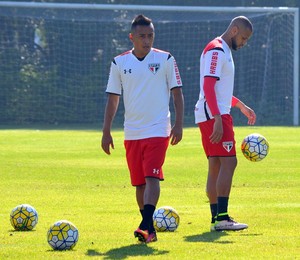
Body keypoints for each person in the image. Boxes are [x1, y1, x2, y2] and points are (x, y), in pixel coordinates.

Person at [101, 14, 184, 243]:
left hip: (158, 129)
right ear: (132, 37)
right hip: (132, 132)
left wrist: (178, 124)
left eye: (150, 36)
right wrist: (106, 131)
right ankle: (149, 230)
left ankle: (146, 224)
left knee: (151, 177)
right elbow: (113, 99)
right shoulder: (119, 63)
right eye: (142, 36)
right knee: (138, 183)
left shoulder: (166, 59)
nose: (147, 40)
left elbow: (177, 93)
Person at [194, 16, 256, 231]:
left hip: (213, 113)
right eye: (243, 38)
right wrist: (218, 118)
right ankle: (222, 218)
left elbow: (219, 91)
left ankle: (216, 219)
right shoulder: (217, 50)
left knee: (217, 165)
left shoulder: (223, 51)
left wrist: (240, 106)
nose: (244, 43)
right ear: (234, 30)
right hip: (215, 116)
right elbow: (208, 86)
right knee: (229, 163)